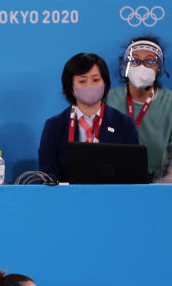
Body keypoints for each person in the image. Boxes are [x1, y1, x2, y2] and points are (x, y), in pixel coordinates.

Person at [38, 53, 139, 181]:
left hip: (113, 197)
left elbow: (133, 173)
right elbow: (47, 176)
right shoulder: (55, 126)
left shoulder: (124, 124)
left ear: (105, 83)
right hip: (67, 198)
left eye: (96, 80)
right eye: (82, 81)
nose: (90, 85)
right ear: (71, 87)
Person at [106, 37, 172, 181]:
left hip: (159, 185)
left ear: (159, 68)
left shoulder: (169, 102)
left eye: (150, 61)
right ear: (125, 66)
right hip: (114, 182)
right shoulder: (108, 100)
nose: (142, 67)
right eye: (135, 61)